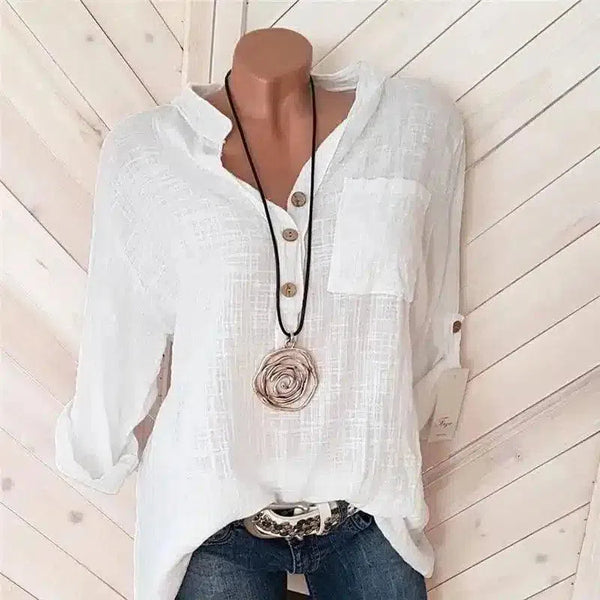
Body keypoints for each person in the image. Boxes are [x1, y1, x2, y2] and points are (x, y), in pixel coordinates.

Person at [54, 34, 466, 600]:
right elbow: (118, 322)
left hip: (369, 500)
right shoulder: (146, 154)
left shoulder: (416, 125)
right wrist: (94, 448)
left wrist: (424, 411)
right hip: (209, 504)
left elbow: (432, 304)